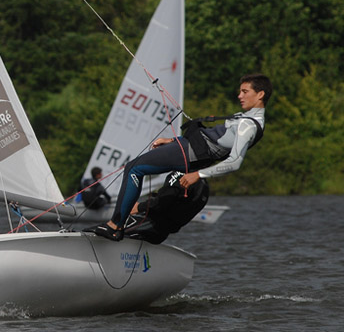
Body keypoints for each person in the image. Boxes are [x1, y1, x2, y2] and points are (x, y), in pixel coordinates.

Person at [88, 73, 271, 241]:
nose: (240, 96)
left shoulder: (249, 126)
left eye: (245, 92)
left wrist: (197, 175)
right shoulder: (247, 118)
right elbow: (213, 137)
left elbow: (235, 162)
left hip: (189, 153)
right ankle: (136, 225)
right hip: (187, 147)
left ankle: (115, 226)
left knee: (134, 169)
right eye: (240, 91)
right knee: (137, 170)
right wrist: (172, 141)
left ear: (260, 94)